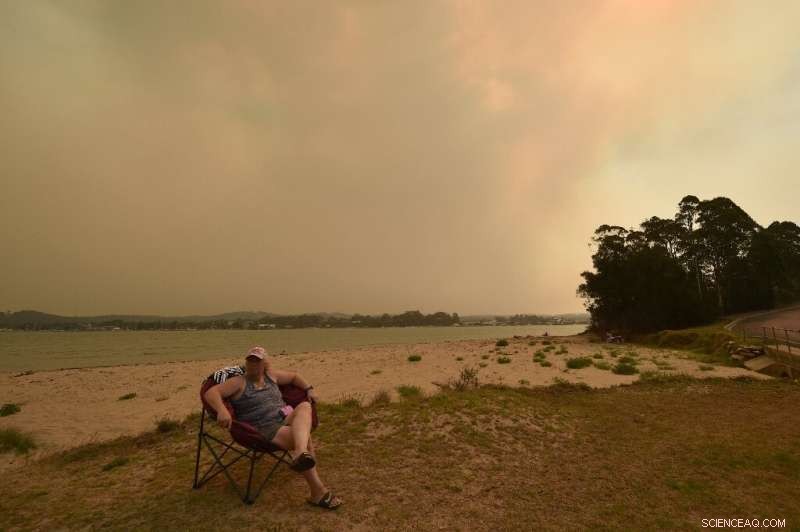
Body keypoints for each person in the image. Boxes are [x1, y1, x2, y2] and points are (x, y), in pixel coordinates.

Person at [204, 346, 343, 510]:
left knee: (305, 405)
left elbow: (294, 377)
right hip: (263, 428)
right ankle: (317, 488)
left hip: (285, 418)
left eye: (257, 361)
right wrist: (221, 410)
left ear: (265, 364)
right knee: (302, 437)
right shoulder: (238, 382)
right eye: (250, 361)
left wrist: (309, 389)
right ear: (246, 363)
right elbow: (211, 392)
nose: (253, 364)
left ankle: (300, 455)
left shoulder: (271, 376)